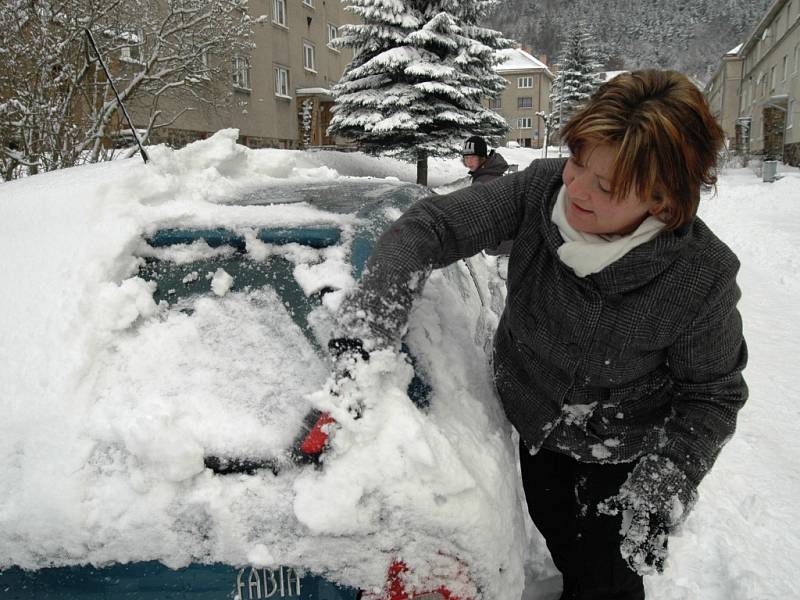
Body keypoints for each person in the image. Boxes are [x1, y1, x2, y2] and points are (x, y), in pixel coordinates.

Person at [329, 70, 748, 600]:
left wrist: (667, 480)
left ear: (664, 202)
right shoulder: (538, 190)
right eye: (579, 162)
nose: (577, 189)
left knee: (604, 580)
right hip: (531, 423)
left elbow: (713, 395)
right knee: (557, 536)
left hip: (621, 460)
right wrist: (368, 329)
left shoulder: (700, 276)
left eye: (609, 186)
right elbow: (430, 227)